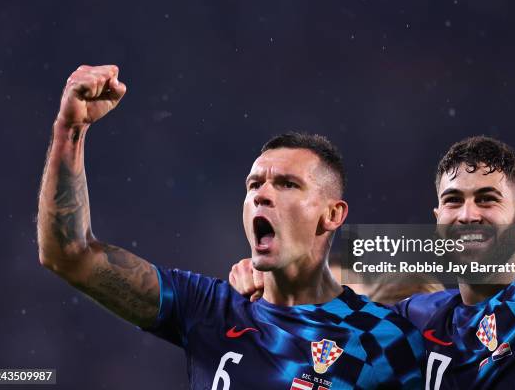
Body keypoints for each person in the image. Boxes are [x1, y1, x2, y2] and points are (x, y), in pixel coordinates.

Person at [230, 0, 515, 389]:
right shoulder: (422, 315)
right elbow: (351, 275)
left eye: (487, 199)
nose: (468, 214)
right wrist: (273, 282)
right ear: (436, 222)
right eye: (453, 200)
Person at [36, 67, 425, 389]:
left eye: (288, 184)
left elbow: (480, 258)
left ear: (333, 214)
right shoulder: (212, 309)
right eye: (254, 185)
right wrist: (70, 130)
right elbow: (68, 254)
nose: (263, 194)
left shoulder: (385, 338)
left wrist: (351, 270)